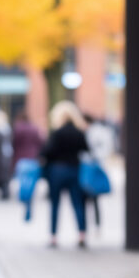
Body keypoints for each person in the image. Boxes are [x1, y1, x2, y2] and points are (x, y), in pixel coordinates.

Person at [40, 101, 89, 248]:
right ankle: (82, 234)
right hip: (74, 170)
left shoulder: (57, 133)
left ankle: (53, 236)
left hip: (57, 171)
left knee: (55, 204)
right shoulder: (79, 132)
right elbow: (86, 150)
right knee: (78, 204)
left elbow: (47, 152)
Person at [11, 110, 44, 175]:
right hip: (34, 160)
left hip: (21, 160)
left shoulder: (18, 129)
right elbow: (41, 143)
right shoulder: (35, 129)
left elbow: (13, 144)